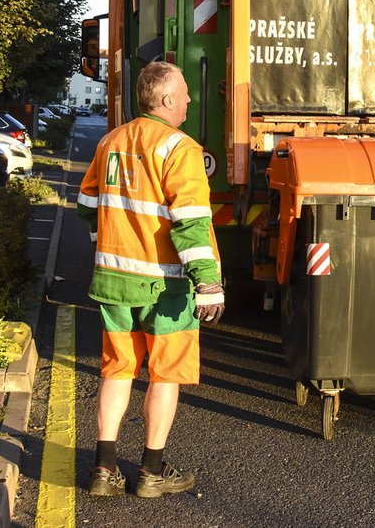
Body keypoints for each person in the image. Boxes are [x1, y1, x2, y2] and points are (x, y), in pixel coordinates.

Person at [77, 61, 225, 497]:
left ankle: (103, 470)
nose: (189, 100)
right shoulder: (180, 148)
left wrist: (105, 242)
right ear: (165, 101)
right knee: (165, 376)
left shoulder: (110, 141)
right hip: (166, 286)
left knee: (117, 370)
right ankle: (151, 472)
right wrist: (208, 283)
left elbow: (87, 203)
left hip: (113, 280)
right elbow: (191, 224)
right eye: (183, 94)